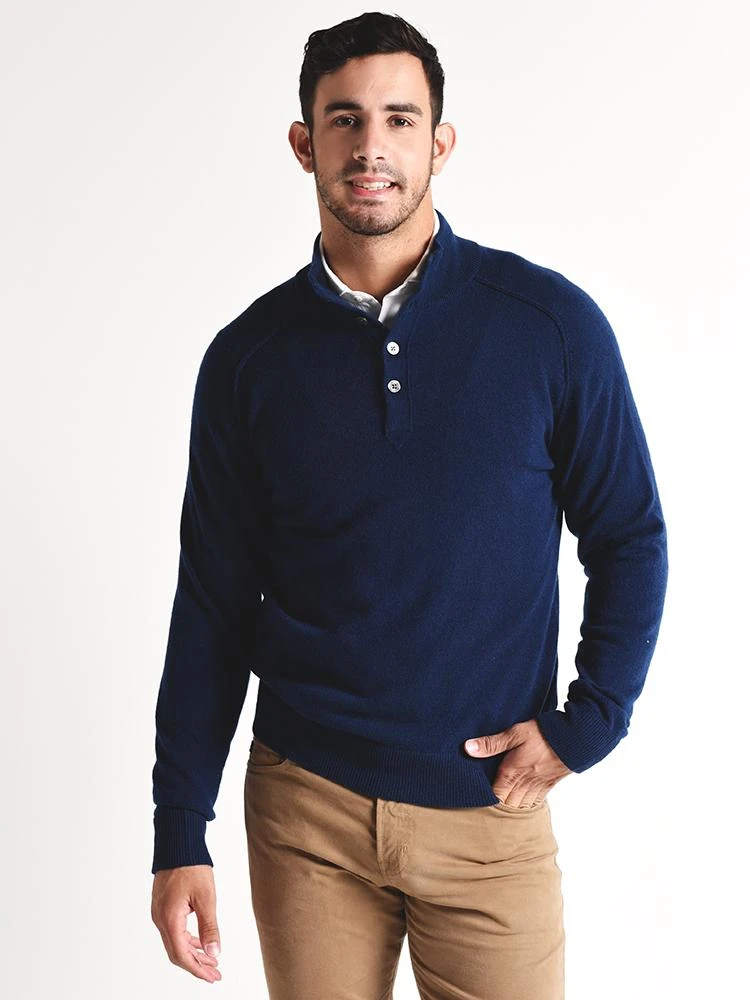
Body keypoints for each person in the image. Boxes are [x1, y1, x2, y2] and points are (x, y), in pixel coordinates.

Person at [150, 11, 668, 998]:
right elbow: (212, 602)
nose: (370, 146)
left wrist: (591, 721)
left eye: (398, 118)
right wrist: (180, 828)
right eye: (343, 119)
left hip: (488, 814)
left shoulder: (549, 327)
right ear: (304, 142)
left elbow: (629, 535)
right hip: (305, 811)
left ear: (441, 142)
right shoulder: (248, 360)